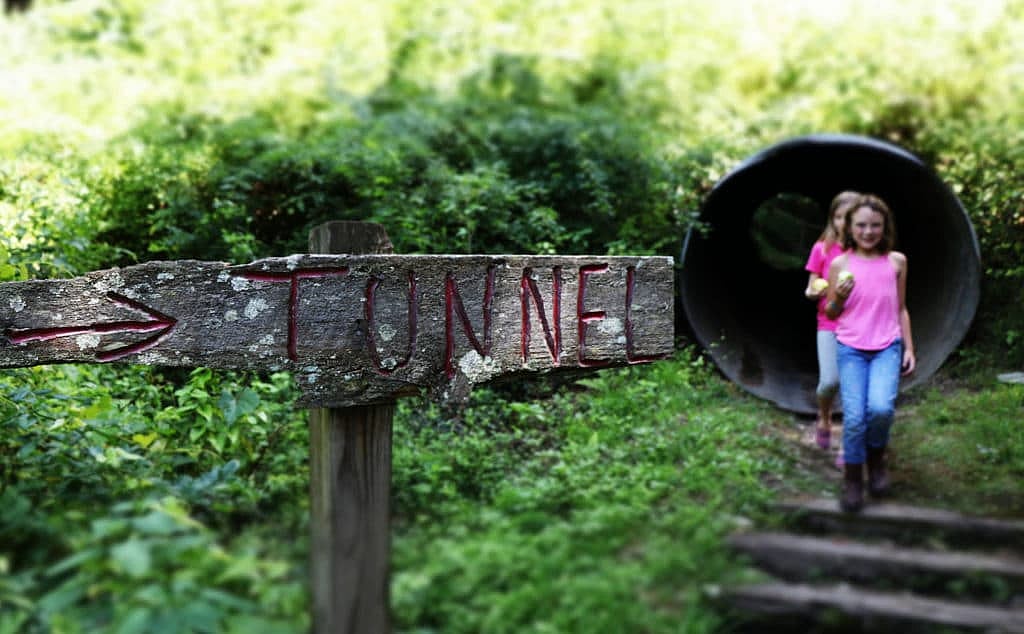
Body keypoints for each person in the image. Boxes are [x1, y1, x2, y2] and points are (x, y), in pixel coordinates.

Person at [825, 193, 916, 512]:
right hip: (851, 346)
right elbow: (832, 312)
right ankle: (853, 481)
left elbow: (901, 308)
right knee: (854, 417)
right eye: (861, 225)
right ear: (849, 228)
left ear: (884, 227)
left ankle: (876, 461)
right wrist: (838, 296)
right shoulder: (840, 264)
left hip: (886, 347)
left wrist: (910, 348)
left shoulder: (896, 262)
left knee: (880, 409)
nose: (868, 232)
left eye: (875, 226)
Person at [804, 191, 860, 466]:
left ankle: (847, 448)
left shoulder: (864, 251)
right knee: (829, 383)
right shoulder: (822, 249)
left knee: (852, 389)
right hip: (828, 323)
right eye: (839, 217)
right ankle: (824, 417)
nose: (843, 223)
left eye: (849, 218)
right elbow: (810, 286)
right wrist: (817, 290)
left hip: (859, 326)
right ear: (832, 219)